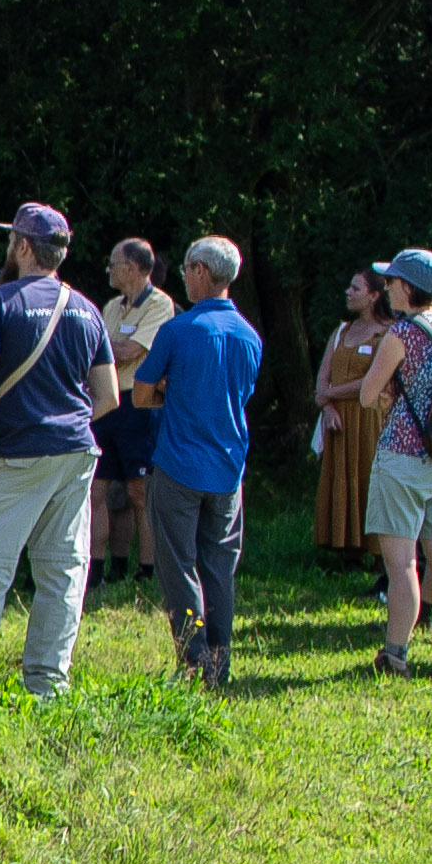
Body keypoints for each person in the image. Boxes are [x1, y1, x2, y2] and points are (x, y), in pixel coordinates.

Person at [0, 204, 108, 701]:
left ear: (24, 247)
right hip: (75, 456)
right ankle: (48, 687)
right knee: (62, 573)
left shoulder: (1, 302)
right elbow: (109, 396)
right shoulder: (88, 308)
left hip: (13, 456)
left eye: (13, 239)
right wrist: (64, 424)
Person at [134, 233, 263, 687]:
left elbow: (141, 393)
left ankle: (194, 662)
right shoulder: (250, 336)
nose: (184, 277)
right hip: (228, 468)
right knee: (219, 569)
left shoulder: (178, 329)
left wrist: (166, 392)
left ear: (201, 272)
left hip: (178, 464)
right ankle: (220, 663)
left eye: (187, 269)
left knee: (178, 566)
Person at [352, 245, 432, 681]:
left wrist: (389, 391)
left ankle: (396, 655)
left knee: (402, 563)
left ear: (406, 287)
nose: (386, 287)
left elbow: (367, 395)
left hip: (403, 455)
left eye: (391, 281)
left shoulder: (401, 334)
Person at [86, 237, 174, 584]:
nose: (109, 269)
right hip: (106, 403)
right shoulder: (110, 307)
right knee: (97, 490)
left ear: (134, 268)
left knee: (139, 492)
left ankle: (146, 570)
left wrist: (105, 349)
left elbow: (128, 351)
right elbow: (109, 352)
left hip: (139, 406)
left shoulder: (160, 304)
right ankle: (97, 569)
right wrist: (109, 350)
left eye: (114, 263)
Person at [309, 269, 387, 563]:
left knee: (369, 478)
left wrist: (330, 394)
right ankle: (344, 548)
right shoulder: (341, 331)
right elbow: (323, 376)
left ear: (374, 296)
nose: (348, 292)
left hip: (370, 420)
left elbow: (372, 381)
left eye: (356, 289)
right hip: (339, 421)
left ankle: (377, 551)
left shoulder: (388, 333)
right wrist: (327, 406)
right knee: (341, 477)